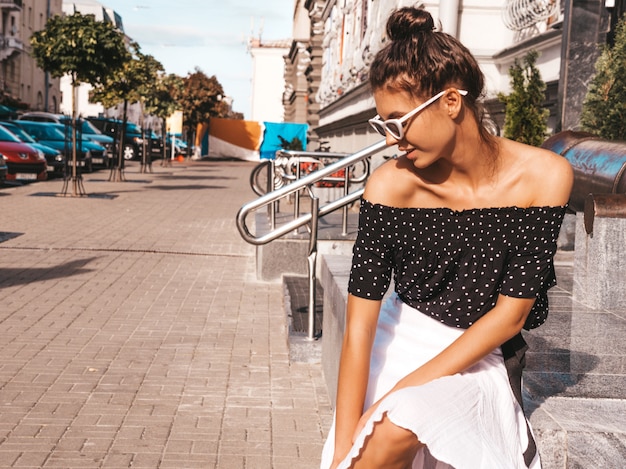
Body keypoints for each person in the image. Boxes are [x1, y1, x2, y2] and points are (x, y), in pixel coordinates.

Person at [320, 6, 573, 469]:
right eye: (382, 126)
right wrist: (342, 446)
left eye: (398, 121)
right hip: (397, 340)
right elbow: (360, 327)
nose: (392, 139)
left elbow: (508, 317)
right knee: (365, 449)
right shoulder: (390, 185)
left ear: (451, 102)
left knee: (397, 420)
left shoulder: (544, 176)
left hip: (477, 354)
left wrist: (396, 396)